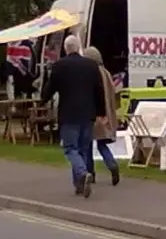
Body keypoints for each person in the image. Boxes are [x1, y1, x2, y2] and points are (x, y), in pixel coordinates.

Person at [41, 35, 106, 197]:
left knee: (71, 149)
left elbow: (49, 89)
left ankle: (82, 173)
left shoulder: (59, 66)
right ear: (79, 48)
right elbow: (99, 90)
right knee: (83, 149)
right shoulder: (91, 66)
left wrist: (43, 100)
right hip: (88, 114)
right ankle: (79, 185)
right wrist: (101, 112)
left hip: (69, 114)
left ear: (65, 48)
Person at [81, 46, 122, 186]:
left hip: (94, 113)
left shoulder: (90, 74)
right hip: (106, 115)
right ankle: (112, 164)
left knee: (87, 146)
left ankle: (90, 173)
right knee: (102, 144)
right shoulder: (106, 73)